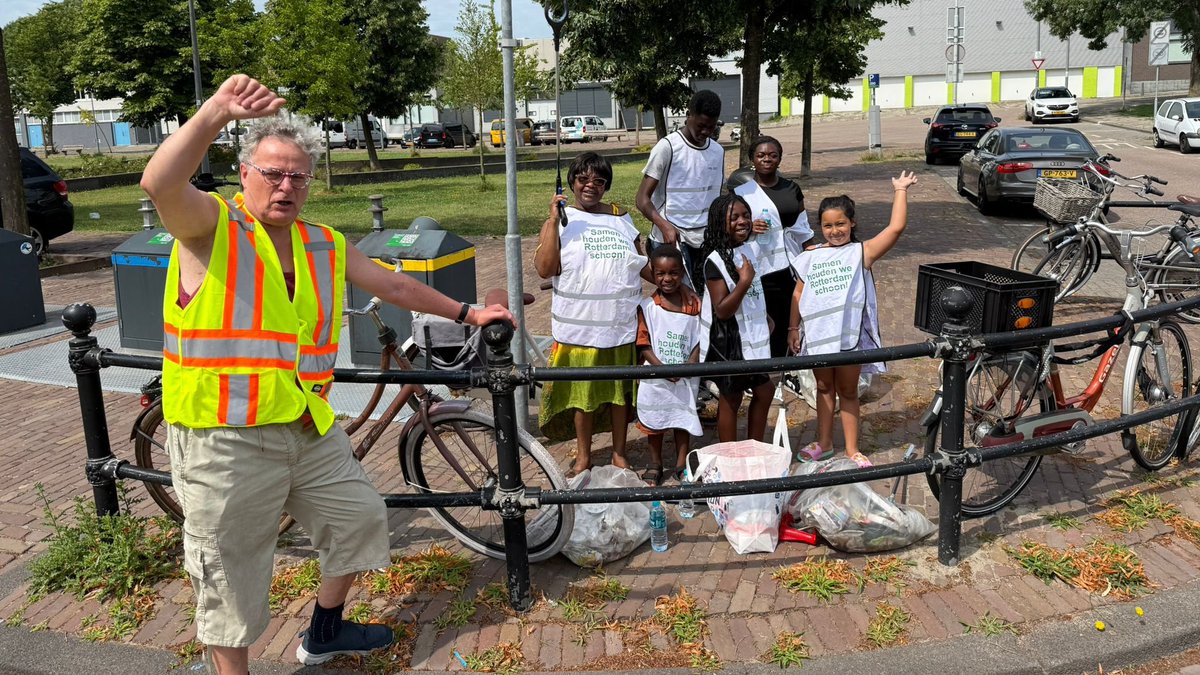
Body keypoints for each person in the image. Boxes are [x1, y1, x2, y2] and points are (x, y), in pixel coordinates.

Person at [139, 74, 512, 674]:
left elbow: (391, 283)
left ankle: (324, 630)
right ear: (244, 175)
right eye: (272, 173)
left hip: (305, 425)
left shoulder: (322, 243)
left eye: (298, 176)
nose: (286, 187)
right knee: (231, 577)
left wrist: (469, 312)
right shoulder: (210, 227)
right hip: (222, 435)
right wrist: (214, 112)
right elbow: (159, 181)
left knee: (358, 519)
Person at [788, 171, 919, 467]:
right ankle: (824, 443)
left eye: (840, 224)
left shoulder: (862, 252)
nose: (834, 231)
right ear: (819, 227)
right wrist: (793, 327)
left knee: (847, 391)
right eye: (828, 225)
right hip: (819, 337)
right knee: (823, 389)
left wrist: (900, 190)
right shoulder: (811, 256)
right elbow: (798, 292)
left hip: (849, 339)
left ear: (852, 223)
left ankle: (851, 450)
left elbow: (896, 228)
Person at [535, 152, 647, 477]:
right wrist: (553, 222)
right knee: (583, 396)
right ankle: (584, 456)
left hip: (618, 326)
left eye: (599, 181)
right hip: (579, 330)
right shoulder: (561, 219)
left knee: (618, 395)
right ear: (571, 182)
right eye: (584, 179)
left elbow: (638, 262)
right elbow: (545, 269)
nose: (591, 186)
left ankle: (619, 453)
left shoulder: (621, 218)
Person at [728, 135, 814, 358]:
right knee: (760, 317)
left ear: (779, 159)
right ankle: (759, 366)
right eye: (761, 155)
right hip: (756, 266)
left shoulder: (792, 189)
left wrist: (813, 255)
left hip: (789, 265)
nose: (767, 159)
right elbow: (728, 230)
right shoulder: (741, 193)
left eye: (772, 155)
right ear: (752, 159)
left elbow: (802, 227)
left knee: (788, 315)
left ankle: (786, 365)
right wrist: (747, 228)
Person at [699, 193, 774, 443]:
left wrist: (765, 316)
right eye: (734, 217)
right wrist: (743, 282)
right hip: (730, 339)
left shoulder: (747, 249)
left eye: (746, 215)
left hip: (751, 334)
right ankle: (729, 453)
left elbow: (756, 292)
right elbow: (722, 309)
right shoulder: (715, 261)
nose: (743, 221)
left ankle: (755, 446)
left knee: (765, 391)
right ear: (720, 222)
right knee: (731, 397)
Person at [636, 90, 726, 293]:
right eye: (701, 126)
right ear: (689, 115)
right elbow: (642, 199)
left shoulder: (717, 151)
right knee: (676, 299)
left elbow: (716, 197)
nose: (705, 132)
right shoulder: (668, 147)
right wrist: (664, 226)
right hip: (672, 239)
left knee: (704, 300)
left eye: (711, 127)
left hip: (705, 239)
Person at [635, 246, 702, 485]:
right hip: (656, 374)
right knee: (655, 419)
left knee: (682, 416)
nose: (667, 279)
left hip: (685, 375)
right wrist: (662, 368)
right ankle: (655, 462)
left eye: (673, 273)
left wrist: (690, 363)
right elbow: (643, 343)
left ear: (682, 273)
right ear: (653, 273)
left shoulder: (695, 307)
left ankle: (681, 463)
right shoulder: (647, 307)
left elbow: (699, 336)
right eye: (661, 273)